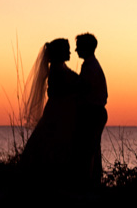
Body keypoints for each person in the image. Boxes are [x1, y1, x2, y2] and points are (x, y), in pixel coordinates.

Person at [19, 38, 78, 183]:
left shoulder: (60, 67)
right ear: (60, 52)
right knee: (52, 143)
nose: (70, 52)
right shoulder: (57, 70)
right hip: (58, 113)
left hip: (62, 112)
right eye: (67, 49)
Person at [74, 33, 107, 187]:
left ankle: (89, 183)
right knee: (91, 149)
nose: (75, 50)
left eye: (78, 47)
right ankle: (92, 182)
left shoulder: (91, 67)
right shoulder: (91, 65)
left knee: (88, 150)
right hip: (94, 112)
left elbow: (85, 90)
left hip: (92, 113)